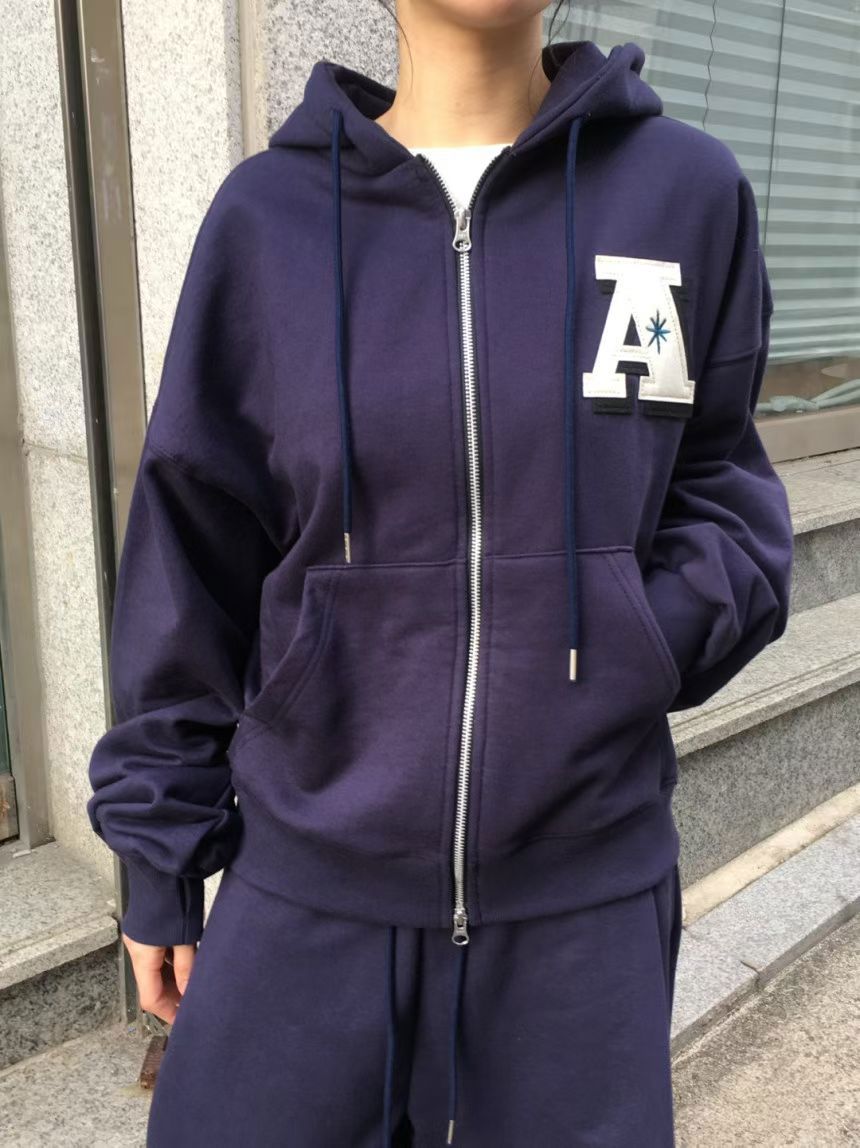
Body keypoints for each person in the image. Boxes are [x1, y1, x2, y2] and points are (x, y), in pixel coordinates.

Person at [86, 2, 794, 1144]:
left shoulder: (682, 194)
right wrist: (159, 851)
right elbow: (192, 543)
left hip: (580, 913)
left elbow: (721, 486)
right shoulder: (268, 219)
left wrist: (637, 638)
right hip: (306, 895)